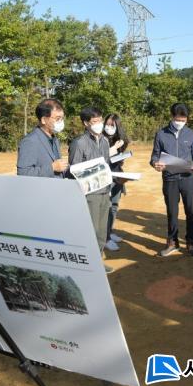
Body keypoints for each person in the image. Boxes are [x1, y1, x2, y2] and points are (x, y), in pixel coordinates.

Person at [150, 103, 193, 257]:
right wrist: (155, 164)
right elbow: (154, 155)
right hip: (170, 178)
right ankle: (172, 242)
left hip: (188, 178)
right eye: (178, 119)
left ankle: (191, 242)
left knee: (190, 211)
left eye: (183, 120)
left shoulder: (191, 134)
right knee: (172, 212)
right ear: (172, 117)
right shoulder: (161, 134)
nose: (180, 122)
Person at [69, 107, 114, 272]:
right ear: (86, 123)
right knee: (91, 231)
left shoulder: (105, 141)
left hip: (104, 191)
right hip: (90, 194)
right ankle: (89, 265)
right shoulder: (79, 143)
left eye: (100, 120)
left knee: (102, 231)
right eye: (94, 121)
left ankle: (98, 262)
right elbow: (74, 170)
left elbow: (106, 164)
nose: (99, 124)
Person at [17, 98, 68, 178]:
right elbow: (23, 173)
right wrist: (52, 168)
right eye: (57, 119)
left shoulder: (54, 139)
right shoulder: (30, 141)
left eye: (62, 118)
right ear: (43, 120)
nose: (61, 122)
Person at [103, 113, 129, 250]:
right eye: (107, 124)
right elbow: (101, 158)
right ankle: (105, 238)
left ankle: (110, 232)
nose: (109, 127)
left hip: (117, 175)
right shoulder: (100, 139)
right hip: (104, 177)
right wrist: (112, 150)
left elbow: (117, 159)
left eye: (112, 125)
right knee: (105, 207)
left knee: (114, 205)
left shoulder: (120, 140)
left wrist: (121, 158)